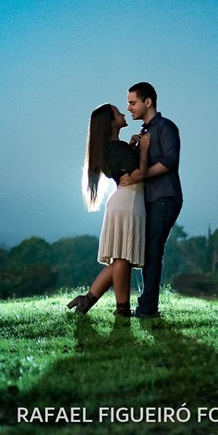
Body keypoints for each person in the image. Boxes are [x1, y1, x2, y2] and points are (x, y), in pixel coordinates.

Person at [67, 103, 150, 318]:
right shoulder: (118, 148)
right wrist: (144, 150)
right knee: (122, 259)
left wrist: (131, 148)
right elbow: (139, 174)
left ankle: (88, 300)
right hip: (129, 200)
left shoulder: (108, 149)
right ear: (112, 122)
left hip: (122, 201)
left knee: (120, 260)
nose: (123, 113)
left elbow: (124, 167)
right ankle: (121, 309)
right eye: (118, 112)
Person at [120, 81, 182, 319]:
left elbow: (169, 161)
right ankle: (146, 305)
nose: (129, 108)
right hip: (149, 200)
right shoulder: (143, 133)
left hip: (165, 197)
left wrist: (142, 173)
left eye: (132, 102)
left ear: (148, 102)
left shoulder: (166, 127)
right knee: (147, 252)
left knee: (153, 251)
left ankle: (148, 309)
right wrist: (134, 147)